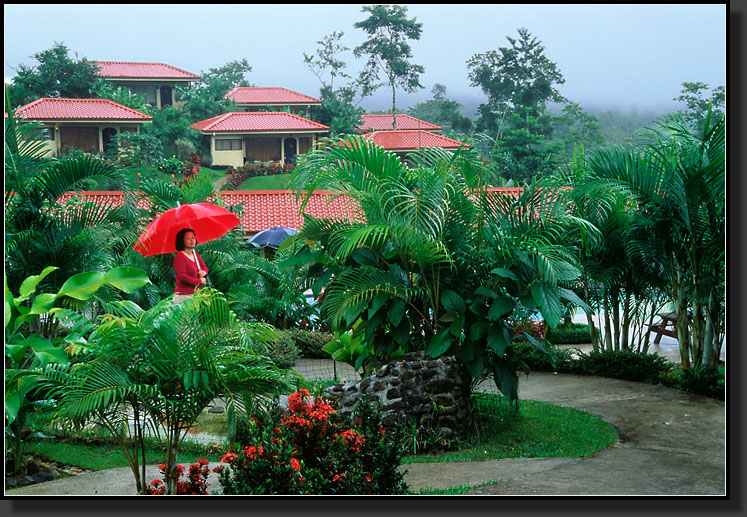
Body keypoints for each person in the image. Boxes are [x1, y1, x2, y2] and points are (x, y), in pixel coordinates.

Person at [173, 228, 208, 304]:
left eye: (193, 237)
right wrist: (199, 281)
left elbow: (204, 267)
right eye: (188, 238)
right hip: (183, 296)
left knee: (196, 316)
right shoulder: (179, 257)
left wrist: (203, 272)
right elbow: (182, 276)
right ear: (182, 241)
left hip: (196, 294)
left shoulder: (196, 255)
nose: (192, 240)